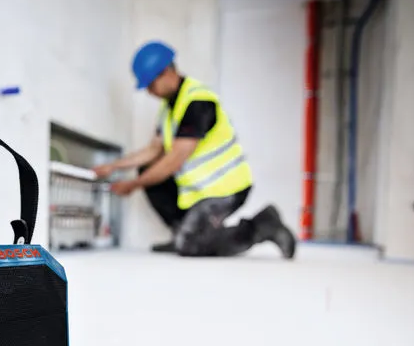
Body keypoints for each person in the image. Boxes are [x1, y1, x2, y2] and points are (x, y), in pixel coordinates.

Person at [92, 41, 296, 259]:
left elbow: (175, 159)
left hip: (226, 189)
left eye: (151, 85)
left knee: (189, 245)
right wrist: (114, 166)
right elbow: (154, 150)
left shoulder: (197, 101)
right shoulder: (168, 109)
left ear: (168, 72)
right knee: (147, 171)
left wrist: (133, 185)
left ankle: (262, 225)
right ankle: (184, 231)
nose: (150, 92)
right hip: (199, 192)